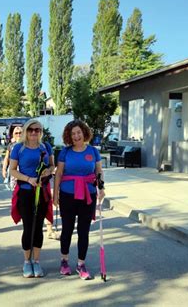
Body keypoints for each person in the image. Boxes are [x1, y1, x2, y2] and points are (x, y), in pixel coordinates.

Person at [53, 120, 105, 280]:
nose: (76, 136)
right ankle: (64, 261)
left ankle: (81, 264)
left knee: (84, 231)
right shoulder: (65, 152)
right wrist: (55, 194)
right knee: (67, 229)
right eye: (73, 133)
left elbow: (99, 172)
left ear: (84, 133)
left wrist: (101, 188)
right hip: (68, 195)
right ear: (69, 136)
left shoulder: (93, 151)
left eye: (78, 132)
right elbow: (59, 174)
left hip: (88, 195)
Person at [9, 119, 55, 278]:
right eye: (31, 130)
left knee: (38, 228)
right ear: (26, 131)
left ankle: (36, 261)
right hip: (26, 191)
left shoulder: (45, 147)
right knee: (28, 227)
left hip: (41, 192)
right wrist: (28, 179)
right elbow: (12, 170)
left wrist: (47, 172)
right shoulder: (18, 148)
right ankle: (26, 262)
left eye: (37, 130)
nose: (34, 133)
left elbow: (51, 166)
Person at [2, 126, 23, 190]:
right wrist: (4, 169)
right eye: (16, 133)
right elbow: (6, 158)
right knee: (14, 190)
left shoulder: (26, 144)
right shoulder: (11, 145)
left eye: (20, 133)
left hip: (24, 170)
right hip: (13, 169)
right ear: (13, 134)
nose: (18, 134)